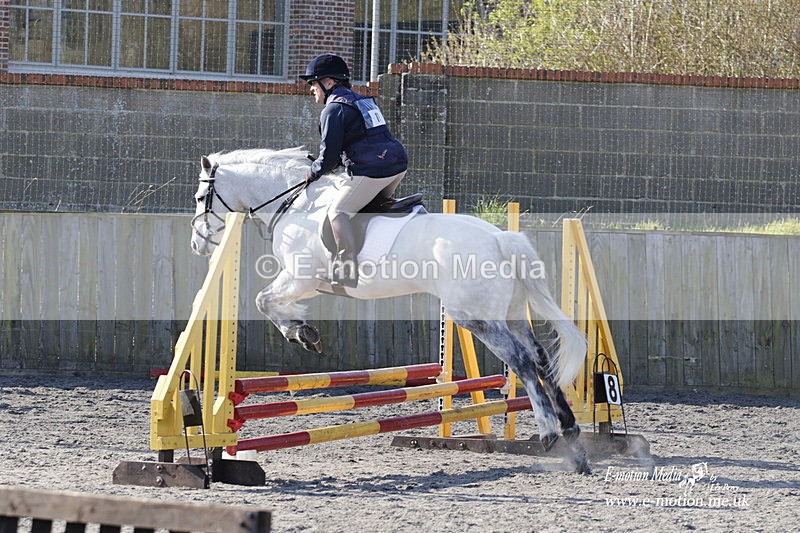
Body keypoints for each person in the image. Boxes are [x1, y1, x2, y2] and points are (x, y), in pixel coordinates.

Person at [300, 53, 408, 288]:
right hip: (397, 165)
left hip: (373, 170)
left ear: (328, 82)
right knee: (362, 209)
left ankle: (346, 270)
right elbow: (362, 141)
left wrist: (314, 171)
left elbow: (328, 158)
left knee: (338, 212)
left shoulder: (333, 109)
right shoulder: (363, 100)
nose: (311, 89)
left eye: (312, 83)